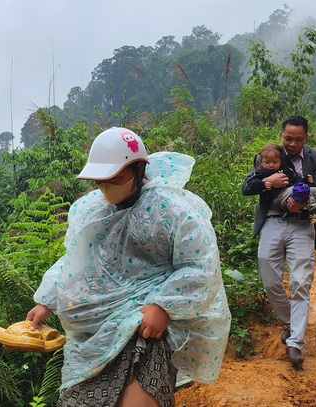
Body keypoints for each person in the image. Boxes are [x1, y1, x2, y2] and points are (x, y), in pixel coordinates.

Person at [26, 127, 231, 407]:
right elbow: (76, 260)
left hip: (148, 324)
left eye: (115, 177)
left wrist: (163, 305)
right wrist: (47, 300)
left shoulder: (171, 209)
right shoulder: (90, 211)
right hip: (96, 334)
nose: (107, 186)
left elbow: (200, 265)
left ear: (137, 168)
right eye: (100, 181)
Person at [241, 115, 316, 368]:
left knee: (301, 282)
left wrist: (301, 198)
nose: (292, 144)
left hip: (301, 224)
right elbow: (247, 187)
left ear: (306, 138)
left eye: (298, 139)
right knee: (270, 280)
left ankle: (295, 343)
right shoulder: (269, 154)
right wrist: (269, 182)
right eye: (288, 138)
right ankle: (291, 321)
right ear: (281, 135)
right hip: (272, 222)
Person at [248, 142, 316, 224]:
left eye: (275, 162)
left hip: (292, 191)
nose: (271, 165)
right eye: (267, 162)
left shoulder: (286, 170)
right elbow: (250, 183)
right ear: (261, 162)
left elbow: (296, 180)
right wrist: (265, 183)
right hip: (278, 198)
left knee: (314, 190)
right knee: (302, 191)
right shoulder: (260, 172)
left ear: (280, 161)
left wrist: (305, 180)